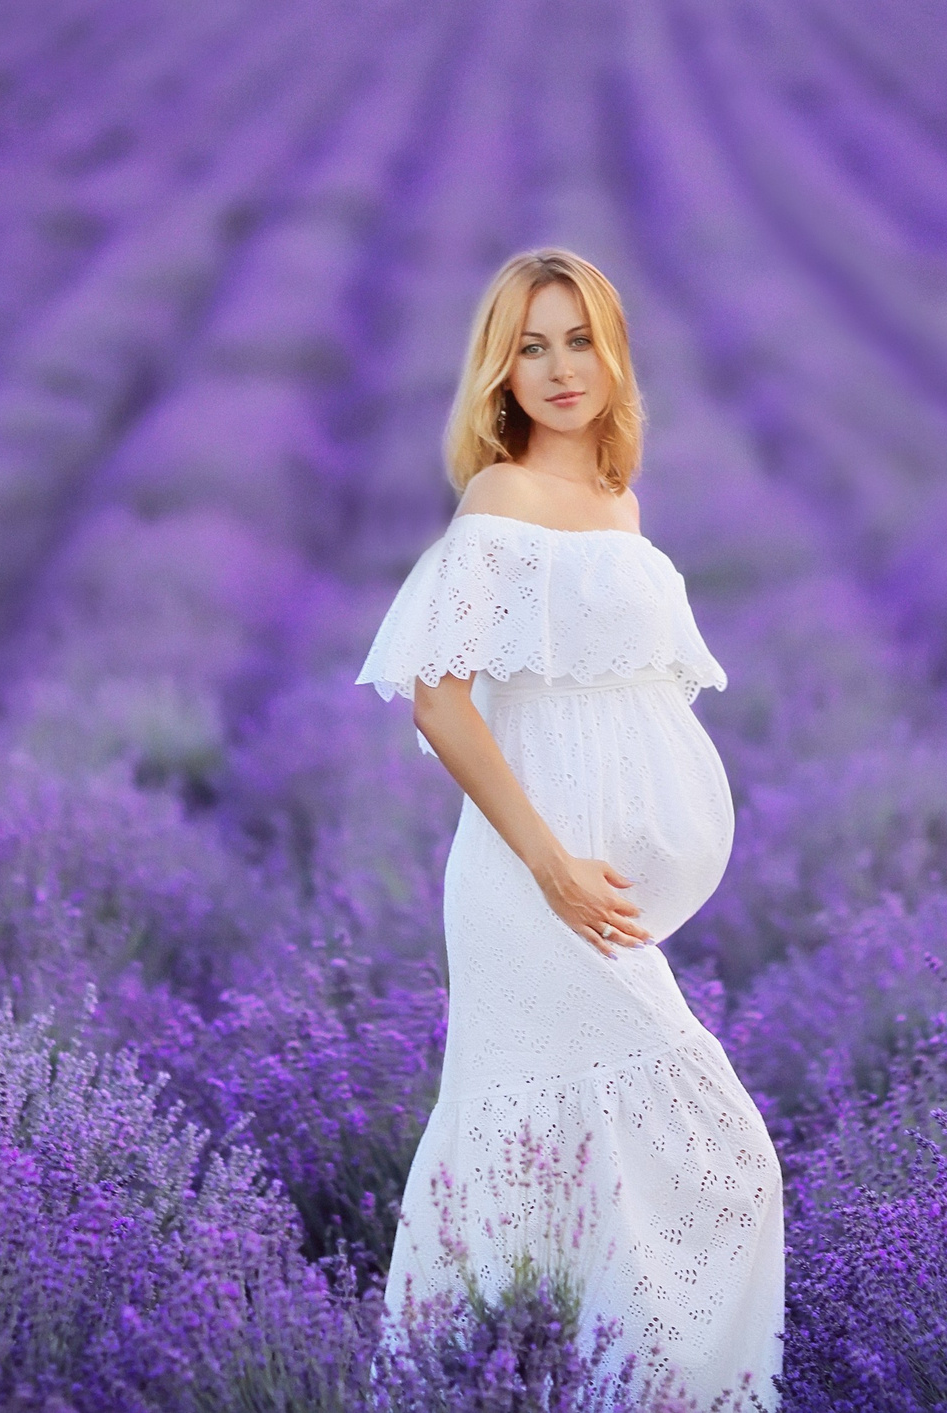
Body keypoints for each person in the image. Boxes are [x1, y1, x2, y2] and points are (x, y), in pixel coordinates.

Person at [356, 248, 783, 1409]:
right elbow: (440, 699)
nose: (557, 369)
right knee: (666, 1146)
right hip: (528, 887)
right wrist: (546, 863)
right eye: (530, 346)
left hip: (593, 891)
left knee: (616, 1161)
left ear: (613, 352)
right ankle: (495, 1379)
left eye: (578, 339)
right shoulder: (498, 501)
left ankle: (604, 1387)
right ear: (499, 371)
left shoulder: (617, 503)